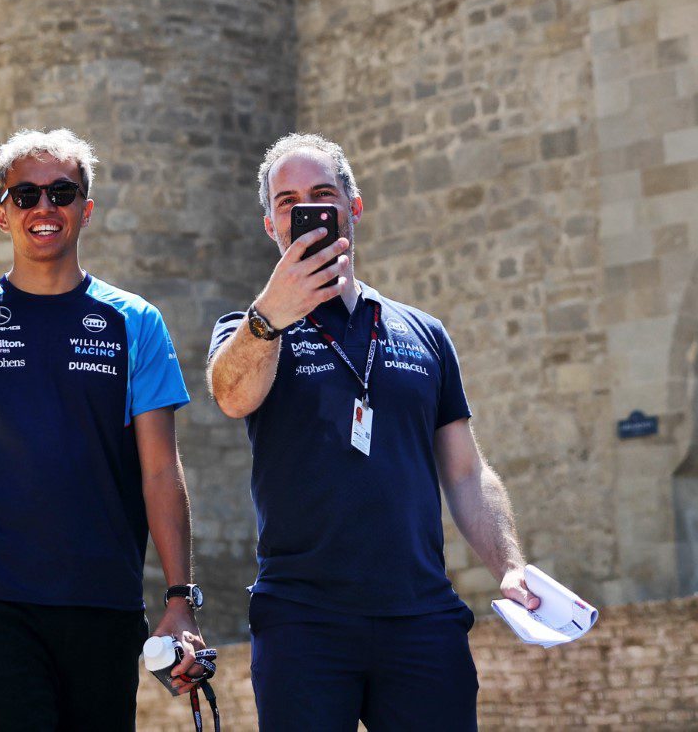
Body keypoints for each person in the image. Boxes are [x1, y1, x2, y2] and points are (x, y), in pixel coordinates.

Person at [0, 128, 207, 730]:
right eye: (24, 195)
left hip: (105, 606)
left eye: (61, 191)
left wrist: (181, 601)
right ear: (2, 214)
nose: (44, 207)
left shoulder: (135, 323)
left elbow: (161, 470)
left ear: (87, 207)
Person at [206, 132, 536, 732]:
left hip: (422, 617)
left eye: (322, 195)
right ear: (270, 224)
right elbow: (231, 394)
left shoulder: (424, 333)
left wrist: (508, 566)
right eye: (288, 202)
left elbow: (464, 472)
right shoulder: (250, 329)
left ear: (352, 208)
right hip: (303, 620)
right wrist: (270, 315)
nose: (306, 211)